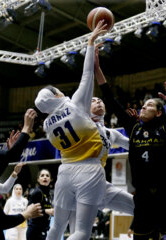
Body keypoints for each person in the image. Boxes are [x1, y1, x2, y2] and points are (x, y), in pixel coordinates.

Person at [96, 50, 166, 239]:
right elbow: (112, 102)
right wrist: (97, 68)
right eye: (143, 105)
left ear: (158, 113)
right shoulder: (134, 128)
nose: (143, 107)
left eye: (149, 106)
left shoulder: (165, 130)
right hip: (143, 197)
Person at [34, 21, 108, 240]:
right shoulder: (75, 104)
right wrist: (90, 42)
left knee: (57, 226)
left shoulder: (47, 125)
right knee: (82, 231)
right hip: (89, 168)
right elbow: (87, 75)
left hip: (65, 171)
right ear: (56, 95)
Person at [68, 95, 134, 235]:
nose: (98, 102)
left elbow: (136, 146)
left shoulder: (111, 133)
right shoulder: (80, 125)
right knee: (79, 235)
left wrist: (138, 128)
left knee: (140, 208)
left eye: (100, 100)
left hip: (99, 185)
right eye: (93, 100)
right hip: (78, 188)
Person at [27, 169, 54, 240]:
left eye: (47, 176)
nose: (45, 177)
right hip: (34, 231)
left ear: (50, 179)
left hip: (44, 230)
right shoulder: (37, 192)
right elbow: (28, 211)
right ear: (38, 179)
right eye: (42, 175)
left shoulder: (49, 195)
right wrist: (46, 211)